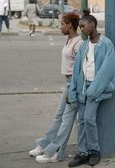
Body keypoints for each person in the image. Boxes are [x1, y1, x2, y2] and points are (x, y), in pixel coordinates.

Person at [29, 12, 82, 163]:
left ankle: (55, 153)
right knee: (59, 116)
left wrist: (73, 88)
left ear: (70, 25)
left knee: (66, 120)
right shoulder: (69, 40)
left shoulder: (78, 43)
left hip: (74, 84)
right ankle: (44, 145)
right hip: (68, 83)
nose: (60, 28)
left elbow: (80, 69)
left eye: (62, 25)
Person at [67, 10, 115, 167]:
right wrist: (72, 90)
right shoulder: (83, 46)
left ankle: (94, 151)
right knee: (81, 120)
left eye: (83, 26)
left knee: (89, 119)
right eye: (80, 27)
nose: (81, 29)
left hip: (96, 89)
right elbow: (77, 70)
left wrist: (93, 90)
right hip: (82, 87)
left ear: (92, 24)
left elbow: (107, 70)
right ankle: (83, 152)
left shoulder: (106, 44)